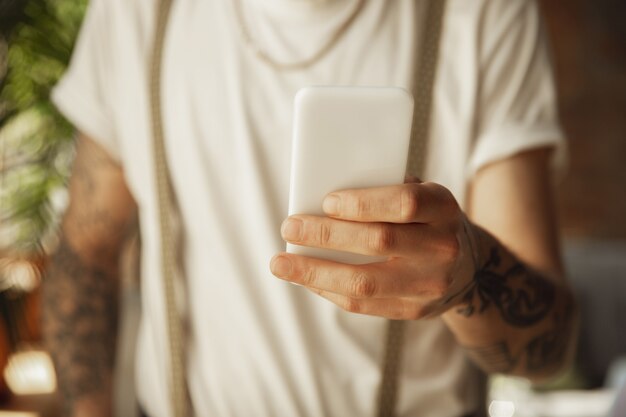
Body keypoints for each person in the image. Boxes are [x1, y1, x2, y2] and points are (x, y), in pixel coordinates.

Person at [43, 0, 577, 416]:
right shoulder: (135, 13)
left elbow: (549, 349)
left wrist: (471, 274)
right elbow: (86, 251)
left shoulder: (484, 14)